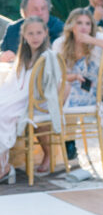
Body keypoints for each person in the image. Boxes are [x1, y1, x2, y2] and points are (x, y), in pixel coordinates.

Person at [0, 18, 59, 182]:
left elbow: (53, 83)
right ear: (24, 36)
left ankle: (3, 167)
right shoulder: (23, 57)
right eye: (30, 33)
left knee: (4, 113)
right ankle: (3, 165)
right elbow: (13, 82)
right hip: (17, 96)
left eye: (39, 33)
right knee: (2, 107)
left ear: (46, 33)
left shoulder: (49, 57)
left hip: (34, 101)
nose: (35, 37)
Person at [53, 9, 103, 109]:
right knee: (56, 88)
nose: (84, 27)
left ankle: (57, 120)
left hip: (91, 89)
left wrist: (92, 40)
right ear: (72, 26)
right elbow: (57, 75)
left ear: (91, 27)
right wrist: (75, 76)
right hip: (68, 85)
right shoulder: (60, 43)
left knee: (60, 92)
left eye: (87, 24)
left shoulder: (97, 37)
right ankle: (56, 120)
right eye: (79, 23)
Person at [0, 0, 64, 62]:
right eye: (35, 9)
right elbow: (3, 52)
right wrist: (4, 55)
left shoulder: (59, 29)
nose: (40, 13)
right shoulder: (13, 29)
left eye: (43, 9)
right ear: (24, 13)